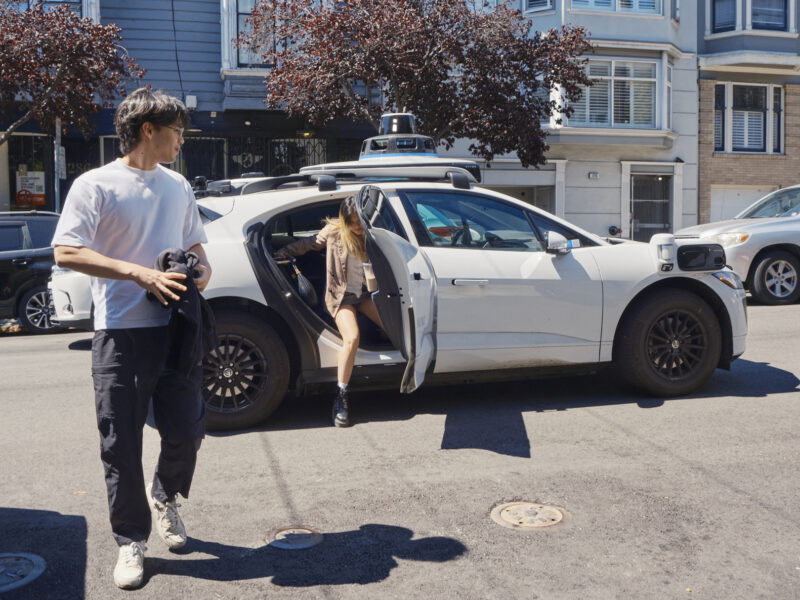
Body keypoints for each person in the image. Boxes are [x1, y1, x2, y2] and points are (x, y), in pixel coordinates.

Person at [51, 88, 212, 589]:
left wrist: (199, 272)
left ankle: (165, 494)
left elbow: (196, 248)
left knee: (187, 430)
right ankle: (131, 541)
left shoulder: (178, 186)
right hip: (119, 334)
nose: (182, 139)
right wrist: (139, 274)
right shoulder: (94, 184)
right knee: (120, 444)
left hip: (174, 331)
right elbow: (66, 252)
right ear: (149, 130)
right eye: (177, 130)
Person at [275, 197, 382, 427]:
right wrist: (283, 251)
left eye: (359, 222)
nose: (356, 227)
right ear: (343, 220)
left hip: (364, 293)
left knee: (396, 324)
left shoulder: (372, 234)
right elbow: (310, 243)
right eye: (351, 222)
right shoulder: (334, 232)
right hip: (340, 296)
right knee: (352, 337)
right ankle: (342, 396)